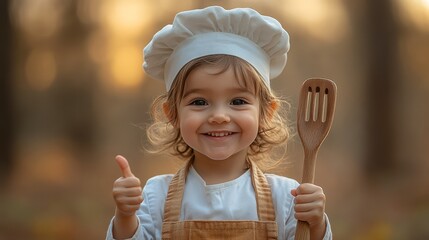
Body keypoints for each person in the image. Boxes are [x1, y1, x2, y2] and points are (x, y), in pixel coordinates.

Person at [106, 6, 332, 240]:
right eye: (200, 101)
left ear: (266, 112)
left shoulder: (286, 197)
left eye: (237, 101)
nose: (219, 116)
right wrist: (125, 216)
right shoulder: (156, 196)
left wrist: (315, 225)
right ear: (173, 114)